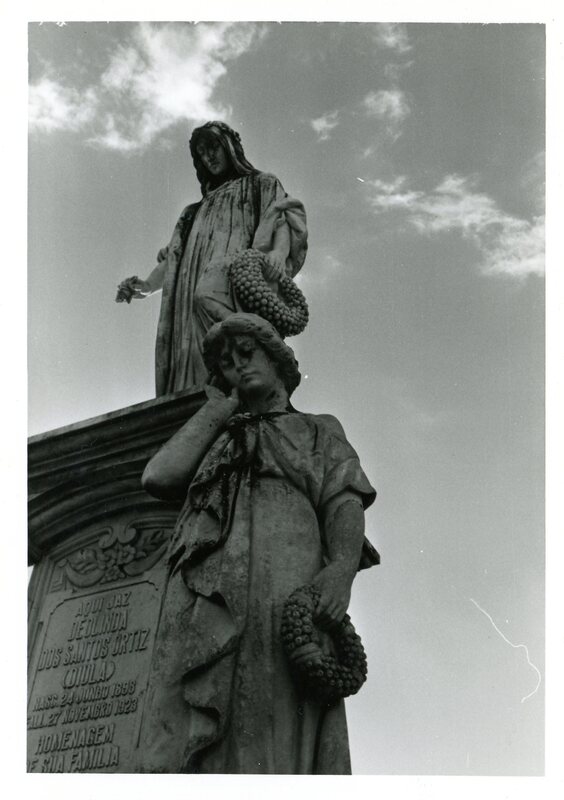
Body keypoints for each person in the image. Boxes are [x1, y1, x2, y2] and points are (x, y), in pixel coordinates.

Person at [139, 313, 379, 774]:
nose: (238, 366)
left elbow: (343, 500)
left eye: (247, 354)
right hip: (205, 570)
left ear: (277, 360)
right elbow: (159, 476)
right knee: (186, 682)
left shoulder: (316, 427)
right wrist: (217, 410)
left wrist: (341, 569)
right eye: (227, 363)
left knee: (269, 683)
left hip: (281, 556)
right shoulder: (219, 433)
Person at [116, 121, 308, 395]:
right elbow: (174, 258)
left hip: (236, 275)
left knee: (212, 305)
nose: (209, 157)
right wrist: (146, 286)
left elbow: (281, 217)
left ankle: (248, 370)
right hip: (189, 285)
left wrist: (278, 252)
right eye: (202, 153)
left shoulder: (261, 183)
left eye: (213, 147)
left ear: (230, 147)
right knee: (192, 351)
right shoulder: (192, 211)